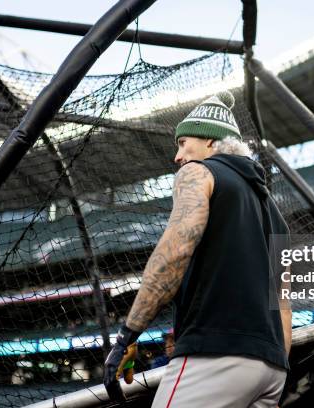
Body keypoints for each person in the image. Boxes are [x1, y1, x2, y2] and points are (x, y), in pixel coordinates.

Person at [104, 91, 292, 407]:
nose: (178, 156)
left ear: (209, 142)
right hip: (272, 370)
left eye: (182, 143)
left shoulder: (198, 171)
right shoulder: (276, 216)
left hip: (214, 356)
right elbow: (283, 305)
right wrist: (275, 365)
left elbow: (174, 252)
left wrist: (127, 336)